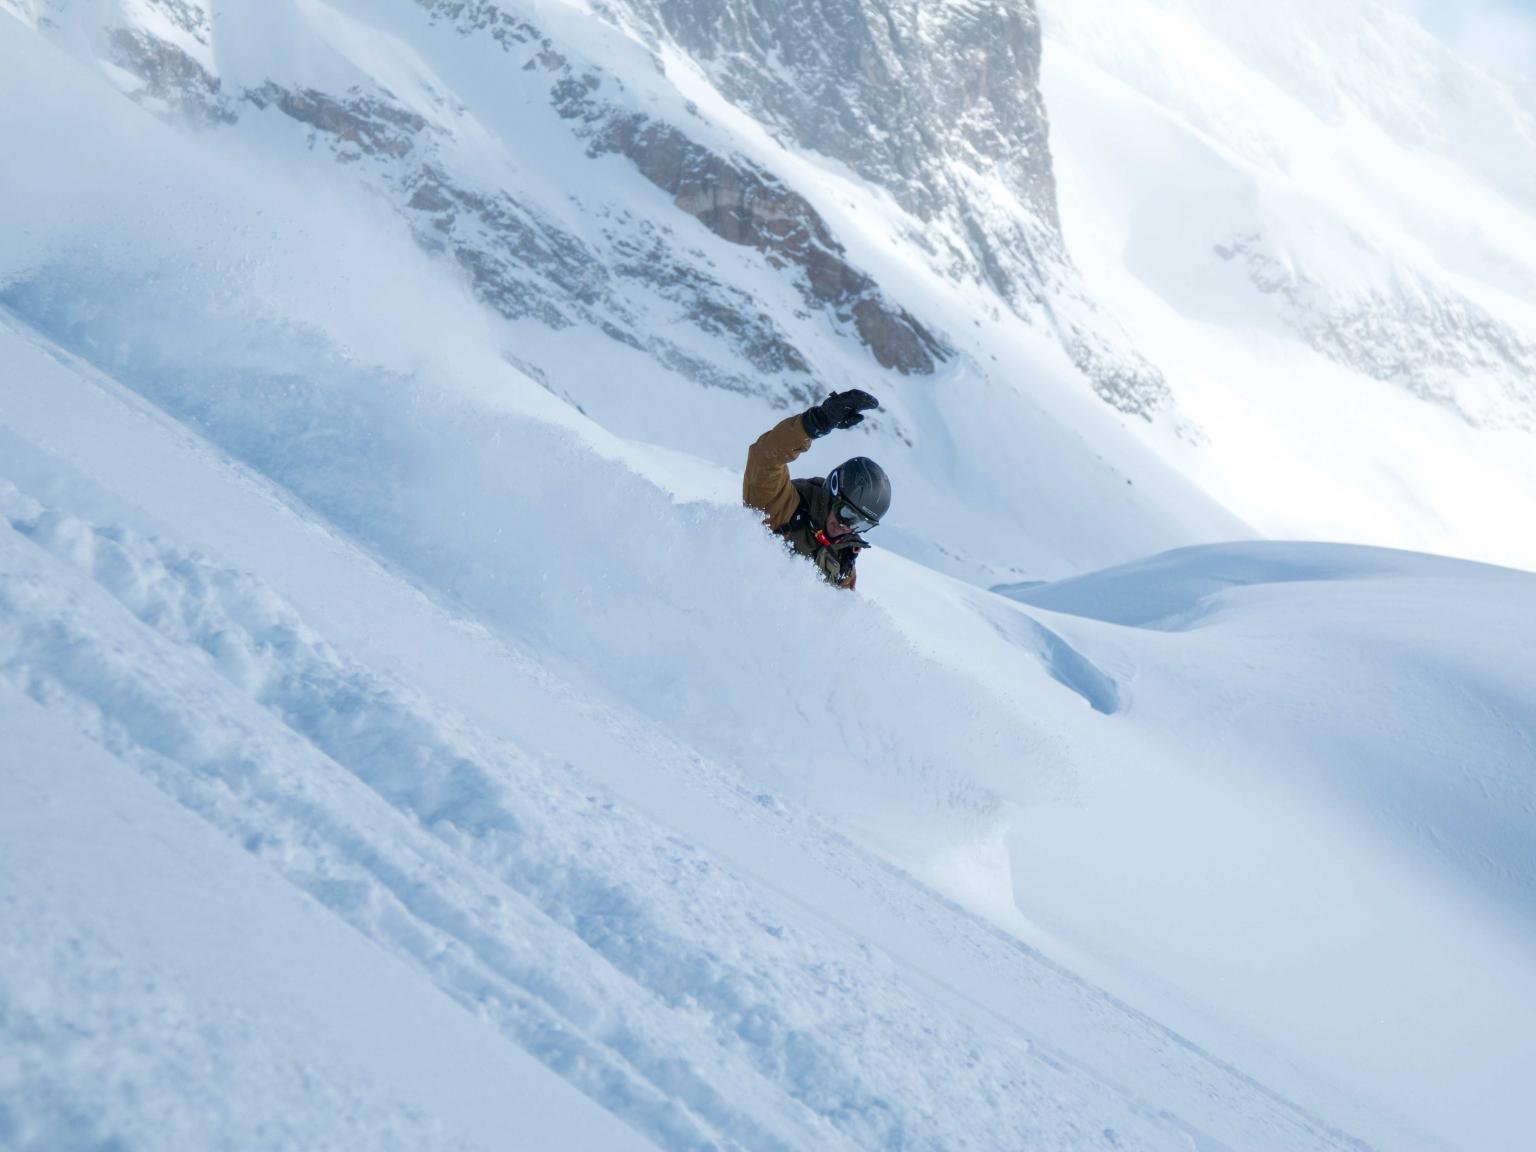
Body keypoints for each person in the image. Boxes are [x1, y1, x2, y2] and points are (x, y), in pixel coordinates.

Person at [743, 389, 891, 590]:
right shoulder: (781, 508)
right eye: (847, 514)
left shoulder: (843, 558)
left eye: (861, 524)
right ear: (833, 492)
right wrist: (817, 422)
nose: (847, 527)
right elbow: (764, 457)